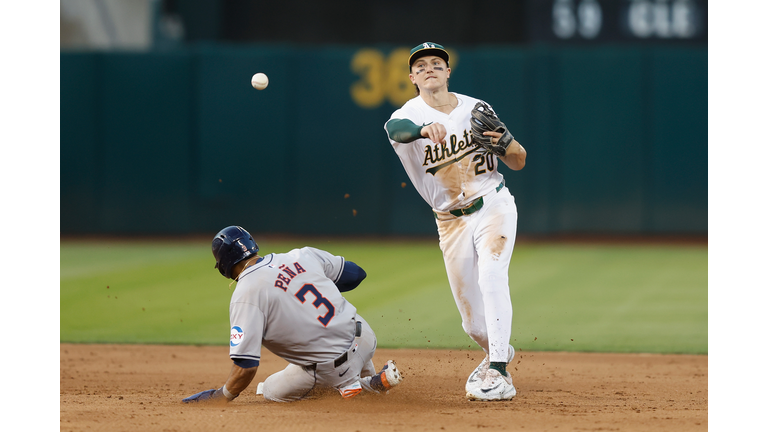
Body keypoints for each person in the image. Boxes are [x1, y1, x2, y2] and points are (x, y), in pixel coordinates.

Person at [383, 42, 527, 401]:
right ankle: (499, 349)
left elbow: (519, 160)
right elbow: (396, 128)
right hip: (450, 222)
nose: (429, 68)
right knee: (473, 325)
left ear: (448, 72)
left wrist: (508, 144)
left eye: (437, 63)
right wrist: (421, 130)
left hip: (493, 203)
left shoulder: (478, 109)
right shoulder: (408, 115)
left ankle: (498, 371)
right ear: (413, 78)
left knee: (492, 274)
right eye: (421, 66)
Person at [182, 225, 403, 403]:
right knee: (337, 354)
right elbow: (356, 274)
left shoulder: (246, 292)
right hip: (365, 338)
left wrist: (222, 395)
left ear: (223, 266)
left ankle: (361, 386)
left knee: (269, 389)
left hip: (333, 367)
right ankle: (368, 380)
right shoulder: (300, 255)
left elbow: (245, 367)